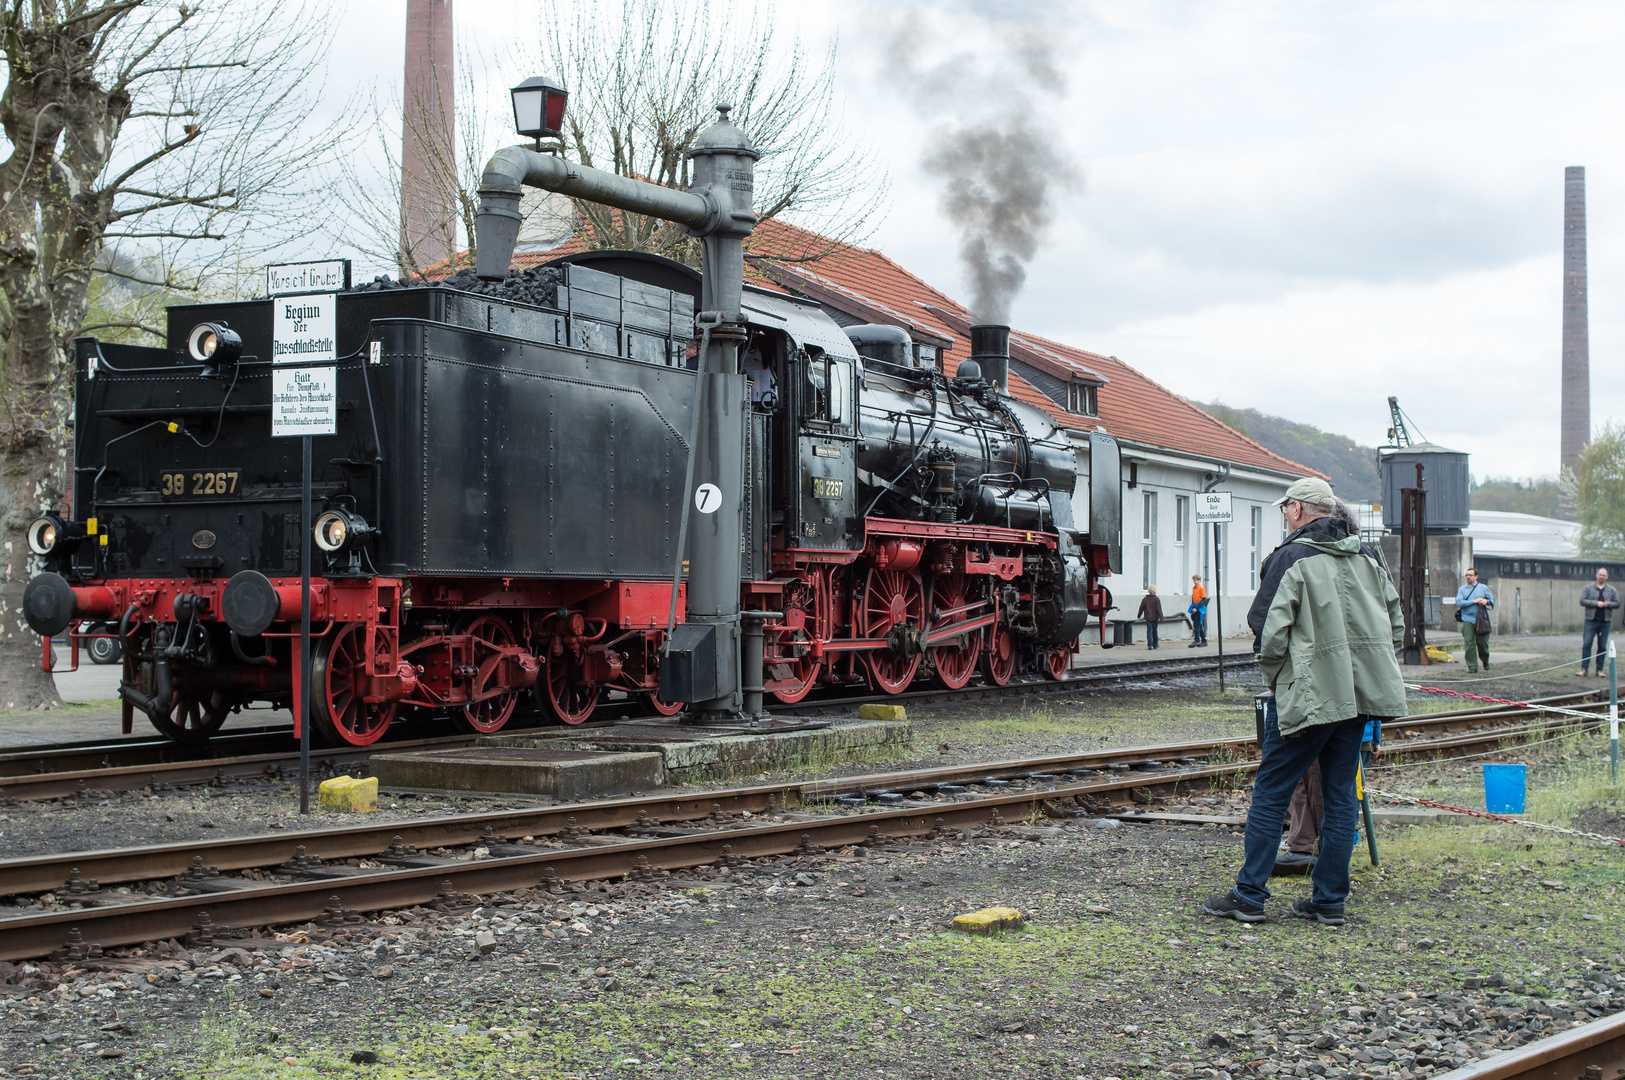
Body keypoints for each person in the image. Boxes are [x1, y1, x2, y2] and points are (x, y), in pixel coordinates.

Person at [1202, 476, 1406, 925]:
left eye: (1284, 509)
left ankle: (1249, 895)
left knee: (1272, 792)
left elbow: (1266, 628)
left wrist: (1278, 680)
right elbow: (1395, 625)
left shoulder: (1290, 557)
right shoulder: (1369, 555)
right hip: (1357, 698)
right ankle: (1329, 900)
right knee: (1340, 796)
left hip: (1308, 696)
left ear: (1296, 510)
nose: (1284, 515)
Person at [1579, 568, 1618, 677]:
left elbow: (1617, 603)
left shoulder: (1612, 590)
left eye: (1604, 575)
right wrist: (1597, 603)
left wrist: (1607, 605)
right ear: (1596, 575)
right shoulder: (1588, 588)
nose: (1601, 577)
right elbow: (1582, 601)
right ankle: (1584, 669)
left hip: (1605, 621)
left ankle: (1599, 670)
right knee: (1587, 644)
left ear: (1607, 577)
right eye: (1600, 575)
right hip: (1590, 621)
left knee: (1602, 646)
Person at [1455, 569, 1494, 674]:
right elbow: (1459, 602)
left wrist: (1486, 601)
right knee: (1469, 643)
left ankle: (1485, 660)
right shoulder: (1462, 589)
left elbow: (1492, 600)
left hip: (1481, 620)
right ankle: (1472, 666)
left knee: (1483, 644)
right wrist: (1473, 601)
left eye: (1470, 575)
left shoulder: (1483, 588)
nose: (1468, 577)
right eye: (1467, 575)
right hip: (1467, 619)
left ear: (1476, 576)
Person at [1188, 575, 1208, 647]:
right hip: (1195, 607)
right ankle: (1204, 641)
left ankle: (1197, 640)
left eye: (1197, 580)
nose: (1195, 581)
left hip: (1200, 608)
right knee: (1199, 625)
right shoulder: (1193, 588)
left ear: (1199, 581)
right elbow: (1194, 598)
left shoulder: (1201, 589)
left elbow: (1204, 599)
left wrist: (1197, 608)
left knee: (1196, 624)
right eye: (1194, 580)